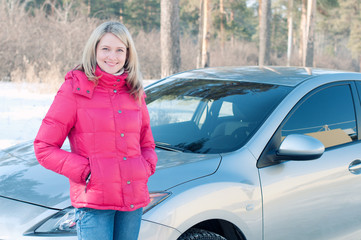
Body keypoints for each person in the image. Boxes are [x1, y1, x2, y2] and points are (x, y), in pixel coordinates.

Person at [34, 21, 158, 240]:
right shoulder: (74, 89)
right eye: (106, 49)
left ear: (128, 54)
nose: (113, 56)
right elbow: (43, 147)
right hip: (94, 203)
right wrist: (86, 171)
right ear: (94, 50)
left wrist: (145, 167)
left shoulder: (134, 90)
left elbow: (146, 142)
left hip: (132, 201)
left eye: (120, 50)